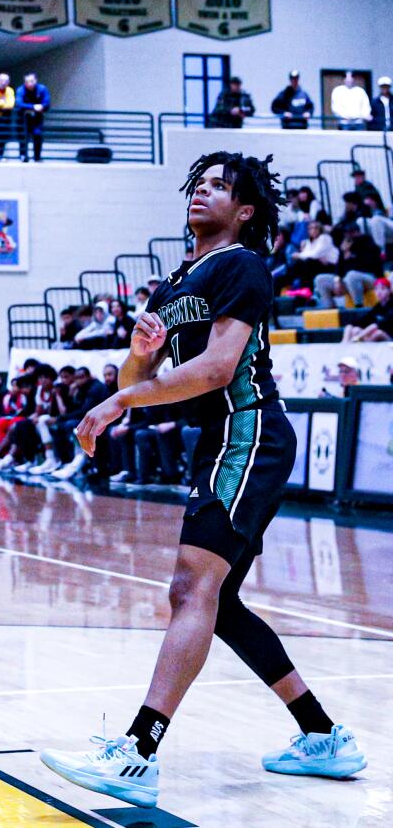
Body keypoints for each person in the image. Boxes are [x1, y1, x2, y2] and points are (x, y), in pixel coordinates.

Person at [41, 151, 365, 809]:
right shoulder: (170, 286)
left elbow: (219, 369)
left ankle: (138, 750)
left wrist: (126, 400)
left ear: (244, 209)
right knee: (221, 604)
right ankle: (322, 733)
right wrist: (131, 369)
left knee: (191, 586)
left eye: (220, 185)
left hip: (248, 431)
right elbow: (145, 382)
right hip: (216, 442)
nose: (203, 192)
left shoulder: (240, 265)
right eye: (200, 182)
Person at [312, 225, 382, 309]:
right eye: (347, 234)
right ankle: (330, 308)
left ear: (358, 232)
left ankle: (358, 307)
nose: (349, 236)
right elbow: (338, 269)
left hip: (371, 279)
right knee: (320, 279)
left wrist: (351, 257)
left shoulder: (368, 243)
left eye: (351, 233)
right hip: (349, 281)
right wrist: (337, 280)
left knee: (351, 275)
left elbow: (369, 266)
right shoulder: (345, 246)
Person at [16, 72, 50, 162]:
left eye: (31, 81)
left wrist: (41, 106)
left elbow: (47, 103)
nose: (29, 84)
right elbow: (19, 104)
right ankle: (23, 156)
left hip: (37, 118)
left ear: (36, 80)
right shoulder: (21, 90)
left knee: (37, 135)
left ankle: (37, 157)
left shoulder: (42, 89)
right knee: (23, 137)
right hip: (23, 118)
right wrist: (34, 107)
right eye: (27, 82)